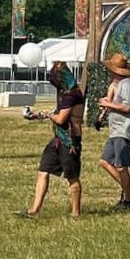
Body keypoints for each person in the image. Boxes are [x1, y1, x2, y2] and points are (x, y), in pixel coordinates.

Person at [21, 62, 85, 218]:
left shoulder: (72, 95)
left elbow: (62, 119)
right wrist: (38, 115)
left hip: (70, 142)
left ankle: (76, 213)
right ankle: (34, 210)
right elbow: (58, 113)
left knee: (72, 177)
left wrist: (48, 115)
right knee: (43, 171)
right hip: (57, 139)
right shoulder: (64, 92)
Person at [97, 53, 130, 210]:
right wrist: (107, 105)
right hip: (115, 130)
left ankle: (127, 201)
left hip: (123, 130)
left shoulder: (127, 84)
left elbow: (127, 107)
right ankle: (129, 190)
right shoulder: (120, 84)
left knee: (121, 166)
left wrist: (108, 103)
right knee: (104, 161)